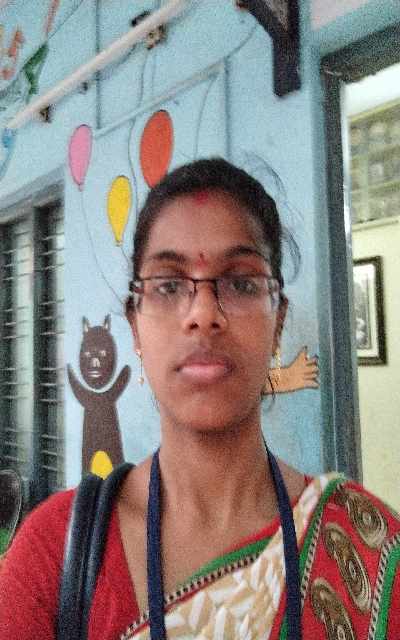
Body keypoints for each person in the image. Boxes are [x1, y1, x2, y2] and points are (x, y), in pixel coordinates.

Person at [0, 158, 399, 640]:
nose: (203, 313)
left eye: (241, 282)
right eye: (168, 285)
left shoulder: (369, 547)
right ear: (135, 326)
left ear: (278, 323)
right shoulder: (51, 553)